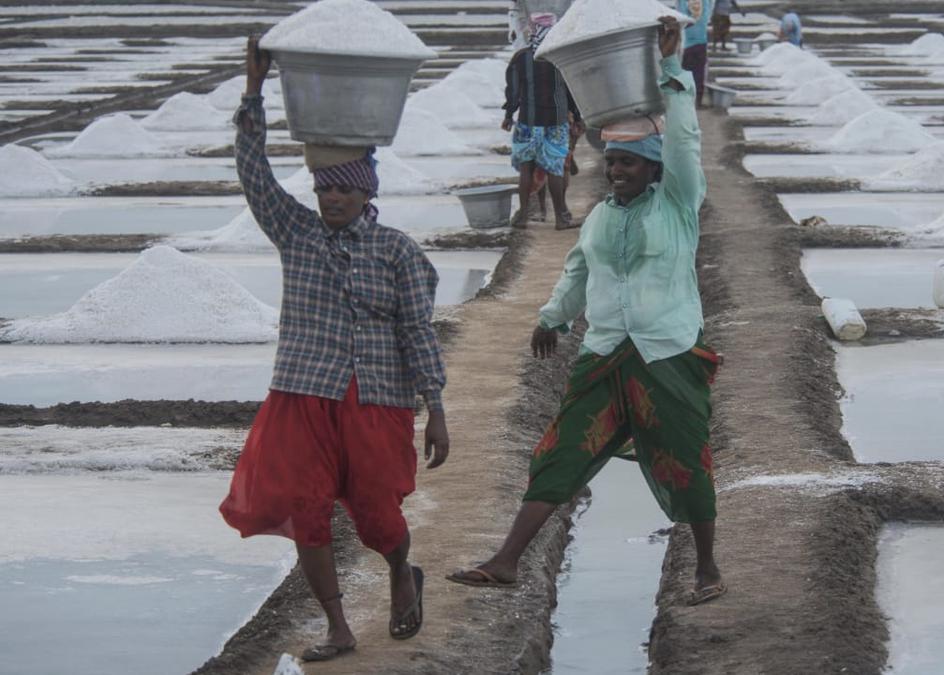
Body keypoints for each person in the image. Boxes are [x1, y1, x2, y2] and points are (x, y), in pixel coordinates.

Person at [448, 17, 726, 607]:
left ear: (653, 168)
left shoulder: (677, 204)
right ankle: (506, 561)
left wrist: (672, 71)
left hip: (666, 355)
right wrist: (552, 317)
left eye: (628, 164)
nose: (616, 171)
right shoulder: (601, 216)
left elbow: (685, 143)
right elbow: (578, 269)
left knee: (686, 460)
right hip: (602, 355)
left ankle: (705, 567)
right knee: (561, 450)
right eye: (612, 163)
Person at [218, 36, 450, 663]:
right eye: (324, 190)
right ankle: (338, 627)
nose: (332, 200)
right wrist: (253, 90)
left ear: (367, 192)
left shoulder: (399, 252)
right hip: (304, 393)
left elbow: (416, 331)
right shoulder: (296, 232)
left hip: (376, 398)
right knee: (305, 507)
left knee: (377, 511)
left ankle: (402, 567)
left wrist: (437, 407)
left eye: (344, 191)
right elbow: (253, 174)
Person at [503, 13, 583, 230]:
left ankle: (522, 218)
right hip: (555, 121)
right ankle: (561, 217)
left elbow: (513, 91)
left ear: (533, 30)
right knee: (555, 169)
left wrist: (509, 115)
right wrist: (577, 116)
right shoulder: (560, 57)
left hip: (528, 122)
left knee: (527, 169)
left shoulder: (521, 58)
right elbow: (571, 90)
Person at [677, 0, 713, 106]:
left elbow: (680, 7)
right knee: (700, 73)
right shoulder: (704, 11)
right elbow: (708, 4)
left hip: (689, 47)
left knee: (687, 73)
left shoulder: (686, 12)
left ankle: (686, 99)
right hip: (702, 45)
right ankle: (698, 101)